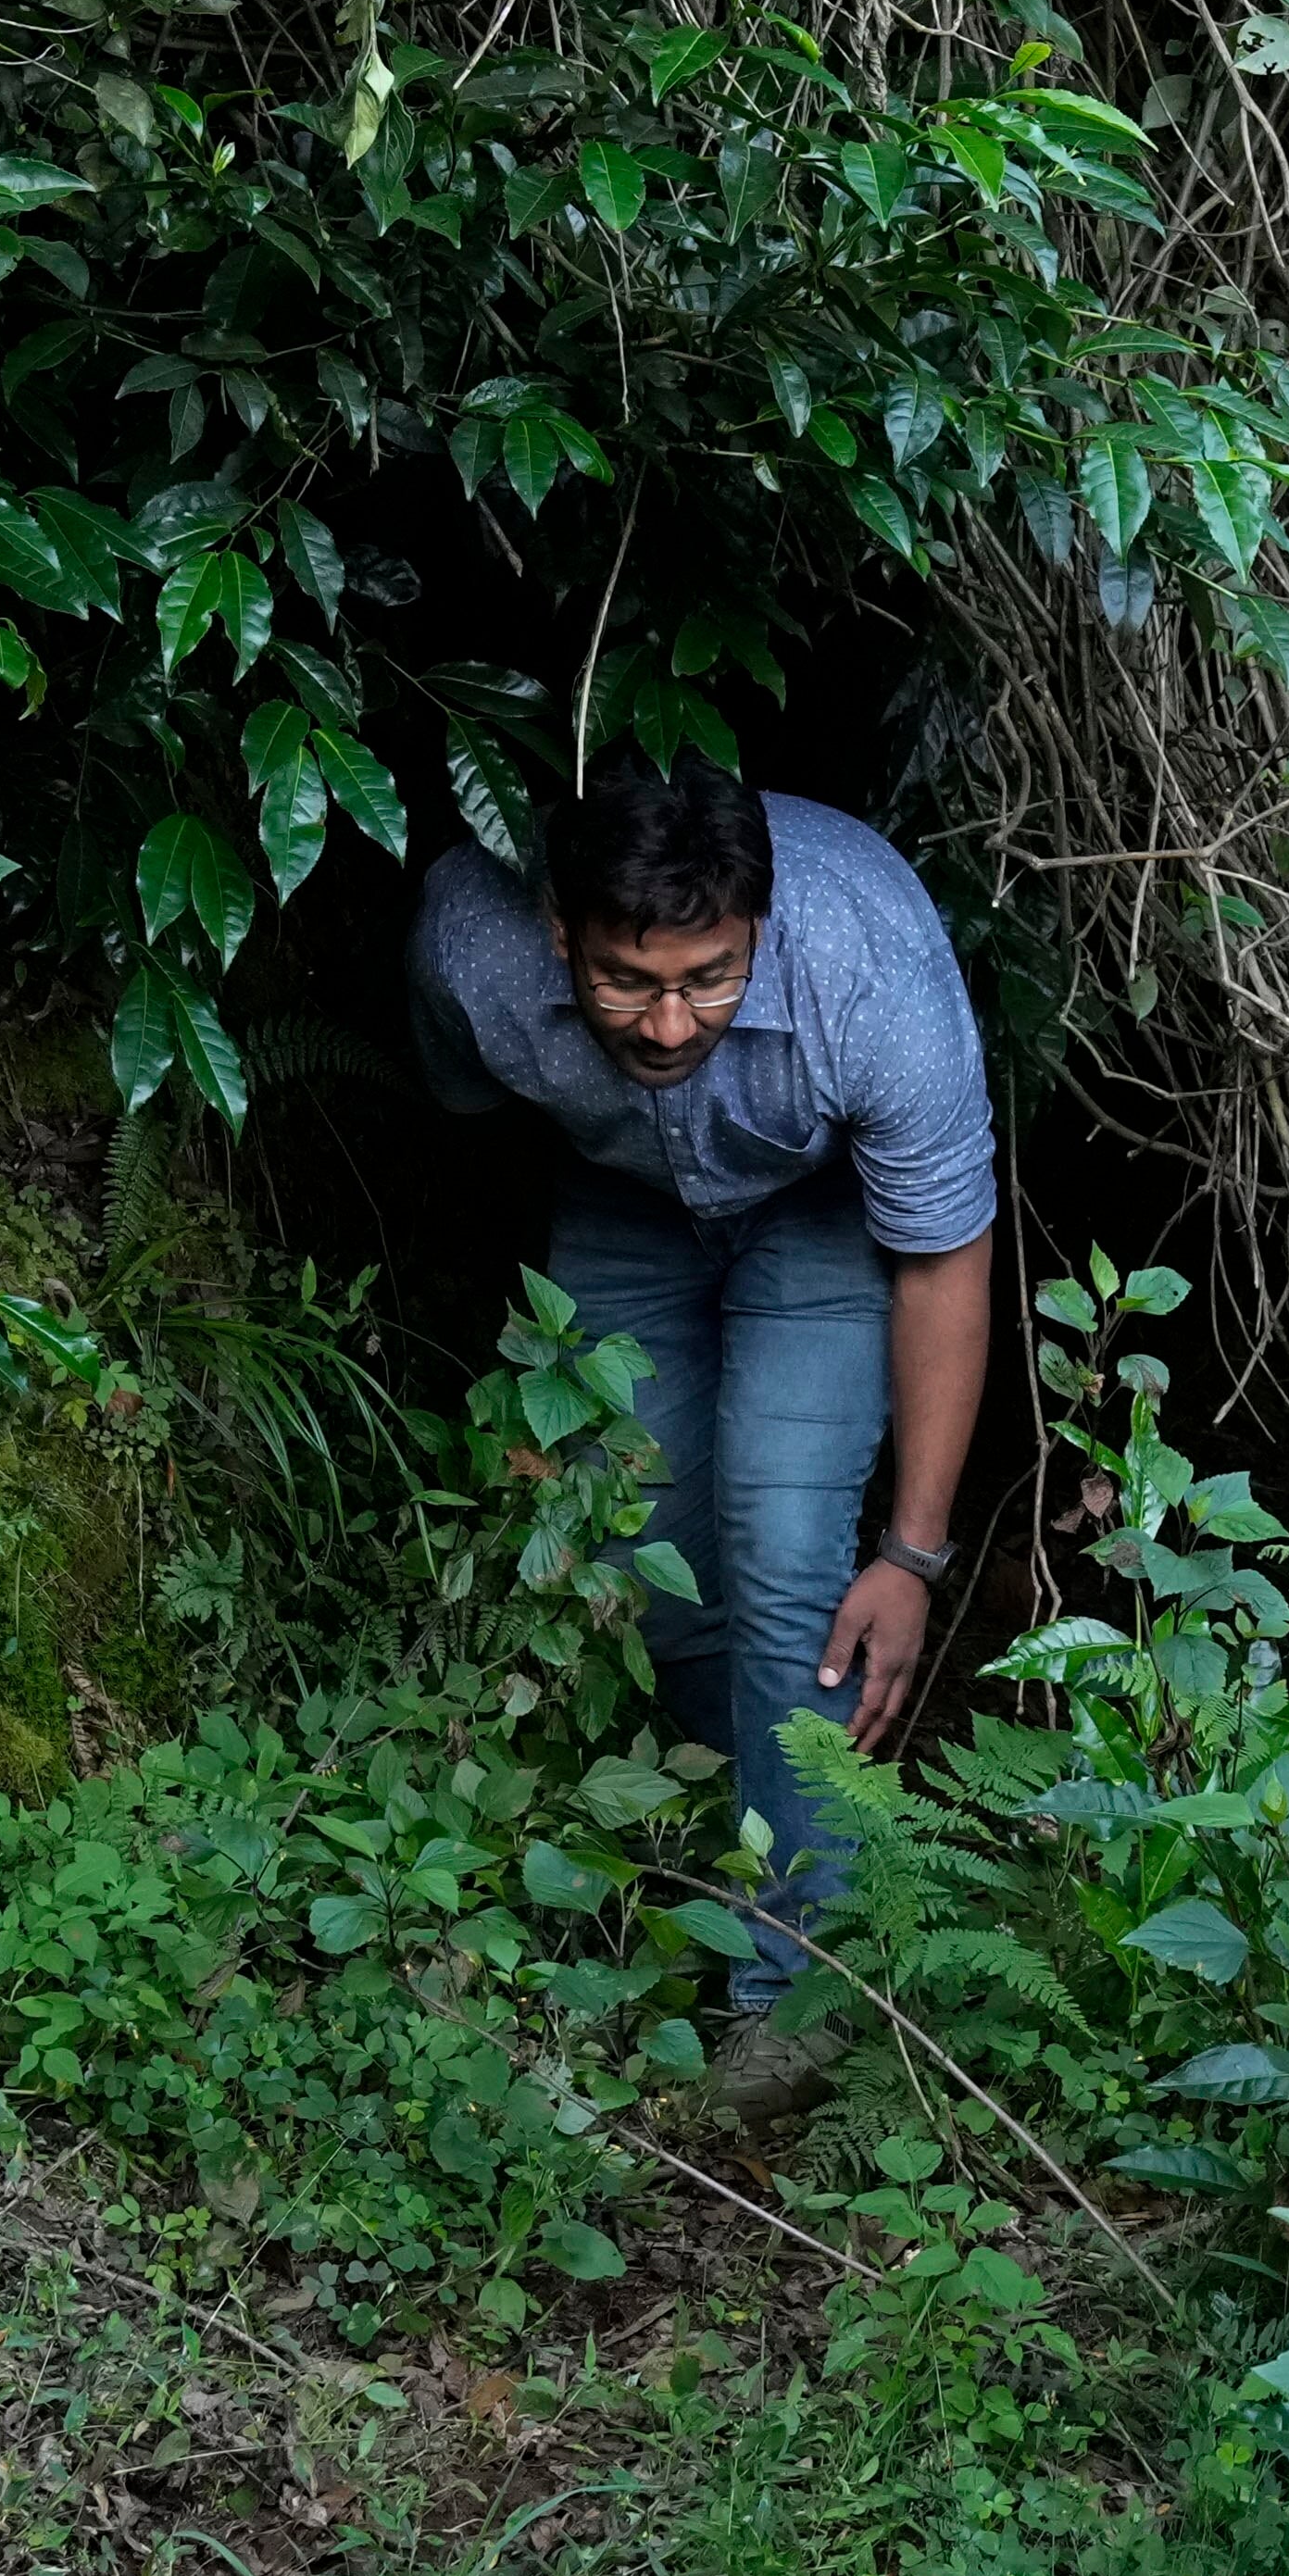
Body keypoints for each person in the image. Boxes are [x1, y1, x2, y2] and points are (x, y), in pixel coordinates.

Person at [412, 760, 995, 2117]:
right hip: (614, 1205)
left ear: (764, 928)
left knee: (790, 1553)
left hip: (817, 1206)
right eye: (627, 982)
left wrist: (911, 1555)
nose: (671, 1024)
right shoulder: (475, 946)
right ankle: (746, 1857)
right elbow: (455, 1108)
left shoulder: (871, 982)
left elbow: (942, 1264)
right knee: (652, 1554)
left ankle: (800, 1988)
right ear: (560, 930)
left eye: (712, 980)